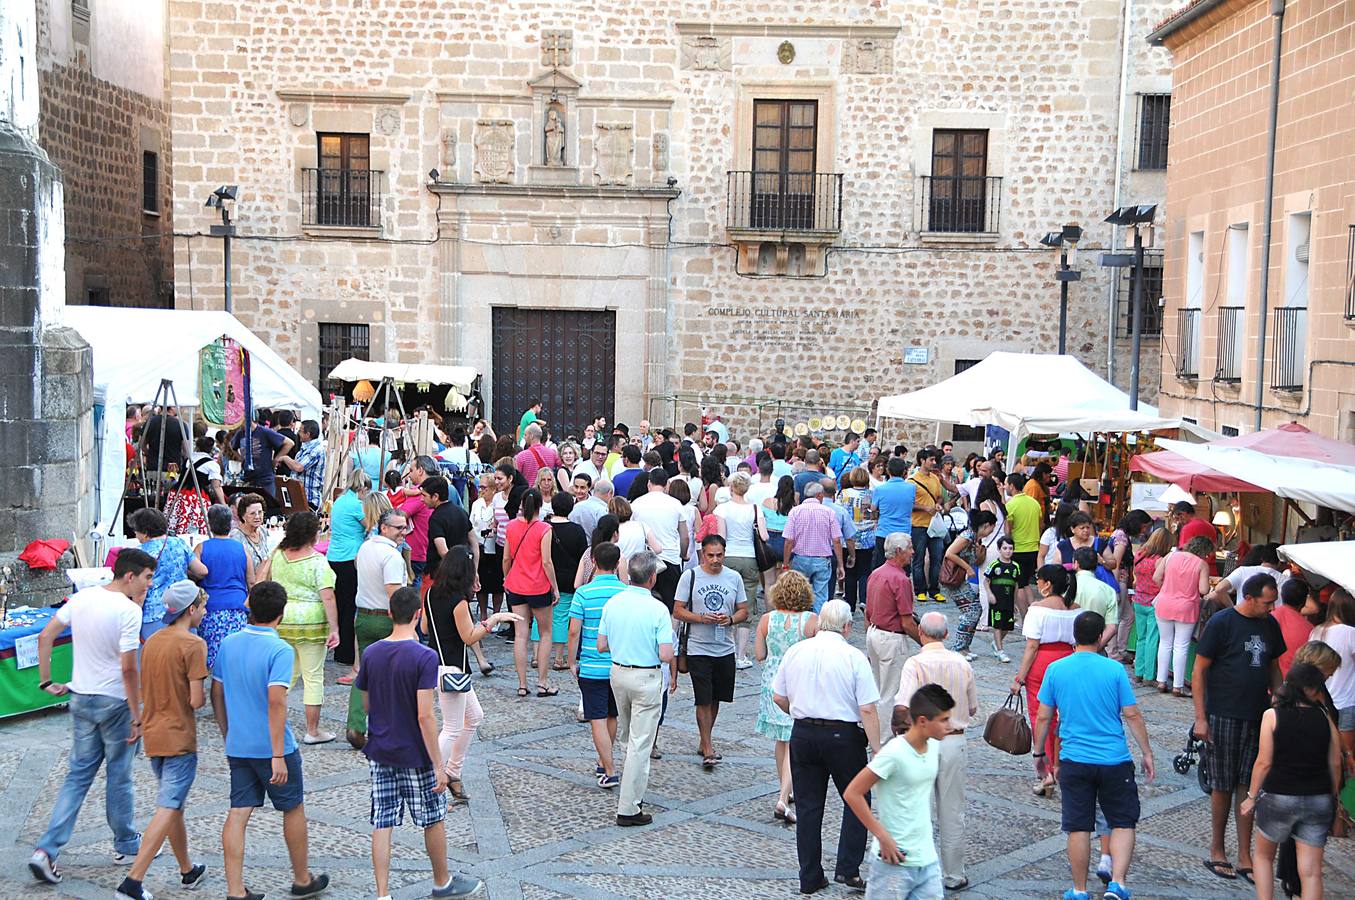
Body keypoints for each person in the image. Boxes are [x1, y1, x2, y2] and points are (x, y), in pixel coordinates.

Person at [28, 550, 157, 886]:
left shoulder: (83, 597)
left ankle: (46, 850)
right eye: (146, 577)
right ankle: (127, 843)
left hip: (81, 696)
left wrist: (46, 681)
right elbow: (129, 668)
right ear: (130, 576)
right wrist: (137, 713)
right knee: (119, 776)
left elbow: (45, 636)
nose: (149, 584)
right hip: (114, 701)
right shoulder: (128, 611)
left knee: (77, 777)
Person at [357, 585, 484, 900]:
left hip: (381, 751)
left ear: (390, 614)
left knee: (382, 822)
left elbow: (367, 705)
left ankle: (383, 893)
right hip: (414, 753)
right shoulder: (423, 657)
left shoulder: (372, 652)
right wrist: (439, 766)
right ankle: (442, 881)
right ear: (417, 615)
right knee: (433, 818)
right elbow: (425, 716)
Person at [211, 581, 330, 900]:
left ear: (249, 605)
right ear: (281, 613)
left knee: (238, 812)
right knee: (292, 808)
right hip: (273, 747)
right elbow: (276, 702)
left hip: (239, 744)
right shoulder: (279, 649)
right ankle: (302, 879)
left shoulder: (229, 643)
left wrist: (227, 733)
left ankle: (235, 890)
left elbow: (217, 693)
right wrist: (277, 754)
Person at [1033, 611, 1155, 900]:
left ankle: (1079, 890)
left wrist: (1040, 752)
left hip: (1075, 759)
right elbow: (1132, 714)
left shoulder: (1056, 669)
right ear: (1101, 637)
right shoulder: (1113, 670)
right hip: (1114, 759)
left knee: (1078, 826)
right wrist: (1147, 752)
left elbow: (1043, 717)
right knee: (1123, 821)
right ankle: (1119, 883)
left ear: (1075, 637)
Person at [773, 599, 880, 894]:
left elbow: (778, 697)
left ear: (820, 623)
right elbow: (868, 708)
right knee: (857, 798)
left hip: (804, 734)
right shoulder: (853, 656)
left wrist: (800, 713)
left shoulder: (796, 651)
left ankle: (809, 876)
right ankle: (848, 867)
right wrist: (878, 749)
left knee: (808, 807)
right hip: (843, 736)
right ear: (847, 627)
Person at [115, 582, 210, 900]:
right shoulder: (194, 644)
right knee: (168, 806)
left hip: (153, 732)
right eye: (202, 607)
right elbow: (196, 701)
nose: (205, 612)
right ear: (191, 609)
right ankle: (133, 882)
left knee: (174, 807)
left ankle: (187, 869)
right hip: (179, 735)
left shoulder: (152, 640)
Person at [1193, 572, 1283, 883]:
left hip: (1258, 715)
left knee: (1250, 785)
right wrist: (1201, 717)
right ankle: (1218, 849)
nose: (1271, 608)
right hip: (1224, 713)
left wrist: (1280, 706)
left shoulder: (1270, 625)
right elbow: (1200, 669)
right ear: (1249, 598)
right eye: (1267, 602)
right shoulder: (1222, 623)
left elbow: (1273, 667)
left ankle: (1245, 853)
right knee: (1222, 784)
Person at [1241, 662, 1343, 900]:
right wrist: (1334, 799)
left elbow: (1263, 762)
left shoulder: (1272, 715)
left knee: (1264, 857)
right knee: (1311, 872)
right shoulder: (1324, 717)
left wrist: (1251, 797)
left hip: (1279, 796)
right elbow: (1335, 762)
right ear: (1311, 689)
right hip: (1318, 799)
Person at [426, 547, 519, 804]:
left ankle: (453, 771)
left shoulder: (431, 593)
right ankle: (432, 773)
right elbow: (469, 637)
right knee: (453, 726)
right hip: (452, 668)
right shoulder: (458, 601)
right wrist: (493, 620)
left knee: (474, 717)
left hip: (440, 664)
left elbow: (425, 626)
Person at [843, 685, 953, 900]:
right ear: (922, 721)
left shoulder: (934, 748)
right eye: (943, 720)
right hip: (894, 863)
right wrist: (882, 836)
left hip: (927, 860)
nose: (949, 726)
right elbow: (853, 793)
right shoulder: (893, 753)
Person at [894, 612, 979, 891]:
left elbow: (903, 705)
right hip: (954, 740)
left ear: (921, 633)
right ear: (946, 635)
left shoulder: (914, 664)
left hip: (921, 742)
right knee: (952, 811)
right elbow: (973, 707)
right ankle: (954, 874)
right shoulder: (962, 663)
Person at [597, 552, 675, 826]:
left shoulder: (614, 603)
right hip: (645, 676)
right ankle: (629, 807)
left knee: (629, 738)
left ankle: (630, 790)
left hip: (619, 673)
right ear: (652, 578)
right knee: (640, 743)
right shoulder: (657, 609)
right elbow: (666, 654)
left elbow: (601, 645)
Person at [259, 511, 340, 745]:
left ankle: (268, 720)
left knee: (287, 674)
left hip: (283, 619)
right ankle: (312, 730)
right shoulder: (317, 561)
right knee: (313, 676)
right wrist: (334, 627)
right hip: (312, 622)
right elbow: (328, 597)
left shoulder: (278, 556)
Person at [674, 535, 749, 767]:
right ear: (703, 555)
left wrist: (730, 619)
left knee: (716, 698)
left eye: (719, 555)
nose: (715, 560)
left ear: (724, 553)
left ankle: (704, 738)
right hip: (698, 648)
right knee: (703, 699)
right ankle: (707, 748)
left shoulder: (734, 577)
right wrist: (700, 618)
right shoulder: (691, 576)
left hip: (725, 647)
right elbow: (677, 610)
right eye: (710, 555)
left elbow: (744, 611)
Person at [1010, 564, 1081, 797]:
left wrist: (1020, 678)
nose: (1037, 584)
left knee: (1042, 716)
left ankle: (1048, 770)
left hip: (1042, 663)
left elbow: (1031, 646)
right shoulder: (1076, 609)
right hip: (1069, 660)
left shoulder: (1037, 609)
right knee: (1066, 717)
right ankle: (1061, 765)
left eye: (1039, 580)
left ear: (1048, 584)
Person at [754, 571, 818, 824]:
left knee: (782, 741)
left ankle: (785, 787)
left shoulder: (767, 619)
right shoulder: (811, 620)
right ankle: (784, 795)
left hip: (773, 682)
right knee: (795, 740)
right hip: (798, 682)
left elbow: (759, 654)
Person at [346, 508, 411, 749]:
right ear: (384, 528)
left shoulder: (365, 547)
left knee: (364, 672)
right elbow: (395, 595)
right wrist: (406, 627)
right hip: (386, 619)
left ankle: (355, 724)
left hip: (363, 616)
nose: (403, 532)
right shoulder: (392, 556)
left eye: (405, 527)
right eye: (398, 528)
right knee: (393, 676)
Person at [568, 541, 629, 787]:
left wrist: (572, 660)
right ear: (617, 565)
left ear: (593, 561)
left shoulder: (583, 593)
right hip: (618, 664)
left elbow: (574, 632)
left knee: (597, 718)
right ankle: (604, 761)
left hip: (592, 665)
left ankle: (610, 768)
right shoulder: (625, 593)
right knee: (612, 715)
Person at [503, 488, 560, 697]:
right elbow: (546, 561)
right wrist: (554, 586)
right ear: (539, 506)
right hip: (538, 586)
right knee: (545, 633)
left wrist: (507, 577)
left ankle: (522, 684)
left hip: (516, 585)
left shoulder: (511, 526)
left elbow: (506, 558)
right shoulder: (544, 528)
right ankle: (543, 682)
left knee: (520, 634)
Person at [864, 532, 921, 743]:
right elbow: (906, 622)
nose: (913, 552)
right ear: (899, 551)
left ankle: (874, 736)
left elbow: (867, 612)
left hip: (874, 633)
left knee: (879, 689)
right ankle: (883, 741)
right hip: (890, 638)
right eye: (910, 548)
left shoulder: (876, 573)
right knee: (890, 694)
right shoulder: (901, 579)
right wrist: (926, 643)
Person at [714, 471, 769, 666]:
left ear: (731, 488)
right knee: (747, 602)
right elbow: (764, 536)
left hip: (729, 557)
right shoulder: (755, 509)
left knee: (727, 600)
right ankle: (741, 655)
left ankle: (725, 649)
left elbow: (721, 536)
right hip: (749, 557)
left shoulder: (722, 509)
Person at [131, 507, 207, 642]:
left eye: (136, 531)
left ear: (144, 533)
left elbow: (140, 592)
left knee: (156, 658)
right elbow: (202, 571)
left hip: (155, 614)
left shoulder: (140, 553)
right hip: (183, 610)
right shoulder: (178, 543)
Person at [1153, 536, 1213, 696]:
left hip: (1165, 603)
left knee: (1164, 643)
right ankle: (1177, 686)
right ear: (1204, 551)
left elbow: (1156, 577)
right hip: (1186, 607)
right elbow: (1203, 589)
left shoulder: (1170, 556)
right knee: (1181, 646)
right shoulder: (1201, 564)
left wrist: (1166, 589)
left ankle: (1161, 681)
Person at [196, 503, 253, 670]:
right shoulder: (242, 548)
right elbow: (251, 581)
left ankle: (215, 693)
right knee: (235, 661)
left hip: (210, 609)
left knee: (213, 662)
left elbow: (195, 571)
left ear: (210, 524)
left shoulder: (201, 548)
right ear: (230, 523)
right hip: (237, 607)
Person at [328, 470, 372, 678]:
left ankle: (340, 649)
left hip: (334, 555)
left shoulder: (339, 500)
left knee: (340, 604)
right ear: (362, 488)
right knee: (350, 606)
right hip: (350, 556)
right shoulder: (356, 505)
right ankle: (346, 652)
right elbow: (372, 525)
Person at [1309, 588, 1355, 774]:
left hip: (1321, 701)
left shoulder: (1316, 631)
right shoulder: (1351, 633)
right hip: (1346, 702)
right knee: (1346, 758)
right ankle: (1343, 799)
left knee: (1325, 755)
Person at [940, 510, 998, 658]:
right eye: (992, 526)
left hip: (960, 580)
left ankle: (964, 647)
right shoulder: (966, 536)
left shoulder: (975, 539)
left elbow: (975, 560)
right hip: (953, 580)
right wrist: (967, 568)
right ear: (986, 525)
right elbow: (949, 553)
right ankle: (958, 647)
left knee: (976, 609)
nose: (992, 530)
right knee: (971, 611)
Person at [631, 468, 689, 610]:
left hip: (643, 561)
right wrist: (683, 553)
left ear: (649, 483)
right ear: (666, 484)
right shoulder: (676, 504)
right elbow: (685, 536)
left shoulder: (636, 503)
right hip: (670, 558)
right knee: (671, 606)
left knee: (643, 605)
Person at [783, 482, 844, 612]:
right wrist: (840, 564)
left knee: (798, 595)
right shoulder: (829, 512)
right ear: (819, 495)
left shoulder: (795, 511)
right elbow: (837, 540)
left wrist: (785, 563)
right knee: (821, 596)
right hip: (821, 559)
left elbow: (789, 540)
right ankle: (817, 625)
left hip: (800, 558)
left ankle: (800, 623)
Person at [546, 493, 588, 670]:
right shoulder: (577, 530)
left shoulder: (544, 527)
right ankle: (558, 657)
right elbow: (583, 557)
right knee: (563, 617)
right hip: (569, 578)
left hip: (547, 576)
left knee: (543, 616)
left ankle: (537, 653)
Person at [1129, 526, 1172, 685]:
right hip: (1154, 602)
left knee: (1141, 638)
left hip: (1138, 600)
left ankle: (1138, 672)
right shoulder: (1161, 561)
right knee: (1153, 639)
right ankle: (1149, 675)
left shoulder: (1139, 555)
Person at [907, 448, 946, 602]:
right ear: (922, 461)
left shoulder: (935, 479)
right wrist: (924, 508)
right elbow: (908, 503)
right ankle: (920, 589)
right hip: (918, 524)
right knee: (919, 558)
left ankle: (934, 589)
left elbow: (939, 497)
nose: (934, 463)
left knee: (936, 558)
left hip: (934, 524)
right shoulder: (912, 481)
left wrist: (938, 504)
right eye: (931, 460)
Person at [1005, 473, 1043, 623]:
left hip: (1018, 549)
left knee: (1019, 586)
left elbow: (1008, 530)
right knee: (1026, 583)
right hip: (1033, 548)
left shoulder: (1011, 505)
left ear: (1012, 486)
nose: (1005, 487)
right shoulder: (1034, 503)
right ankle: (1033, 614)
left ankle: (1025, 618)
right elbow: (1040, 525)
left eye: (1007, 484)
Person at [469, 473, 504, 631]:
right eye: (480, 487)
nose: (481, 490)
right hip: (480, 548)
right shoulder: (477, 504)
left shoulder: (498, 503)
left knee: (497, 585)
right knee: (481, 584)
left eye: (484, 487)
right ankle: (483, 615)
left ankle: (496, 616)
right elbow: (472, 524)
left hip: (495, 547)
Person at [840, 467, 877, 612]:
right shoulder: (872, 494)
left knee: (850, 572)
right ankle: (864, 599)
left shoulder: (844, 494)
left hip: (848, 536)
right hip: (867, 536)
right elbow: (875, 514)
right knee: (864, 571)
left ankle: (850, 602)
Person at [231, 415, 292, 499]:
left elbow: (289, 443)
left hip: (265, 479)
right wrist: (241, 458)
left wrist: (276, 459)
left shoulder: (264, 432)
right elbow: (232, 446)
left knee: (267, 506)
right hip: (248, 479)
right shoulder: (240, 433)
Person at [872, 456, 916, 570]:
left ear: (888, 470)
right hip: (904, 533)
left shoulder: (880, 489)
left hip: (884, 532)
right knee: (903, 568)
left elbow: (873, 508)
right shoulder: (911, 488)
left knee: (881, 568)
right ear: (904, 471)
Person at [1072, 547, 1119, 650]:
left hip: (1068, 649)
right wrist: (1096, 647)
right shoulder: (1108, 590)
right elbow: (1112, 627)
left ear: (1076, 563)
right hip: (1096, 647)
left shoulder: (1066, 586)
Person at [985, 536, 1020, 663]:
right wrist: (990, 594)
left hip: (1009, 601)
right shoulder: (995, 565)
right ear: (999, 549)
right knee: (998, 625)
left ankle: (996, 642)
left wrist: (1015, 602)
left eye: (1010, 548)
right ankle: (1000, 651)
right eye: (1005, 548)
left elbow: (1016, 585)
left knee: (1007, 626)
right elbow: (986, 581)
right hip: (997, 600)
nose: (1008, 551)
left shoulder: (1015, 567)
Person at [279, 419, 326, 509]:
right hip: (298, 498)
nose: (298, 433)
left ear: (307, 434)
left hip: (309, 499)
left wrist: (285, 458)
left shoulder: (316, 450)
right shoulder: (304, 449)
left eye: (300, 431)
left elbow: (298, 467)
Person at [1273, 579, 1314, 677]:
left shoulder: (1269, 617)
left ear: (1281, 595)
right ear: (1304, 601)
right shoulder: (1309, 629)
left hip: (1267, 682)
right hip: (1292, 683)